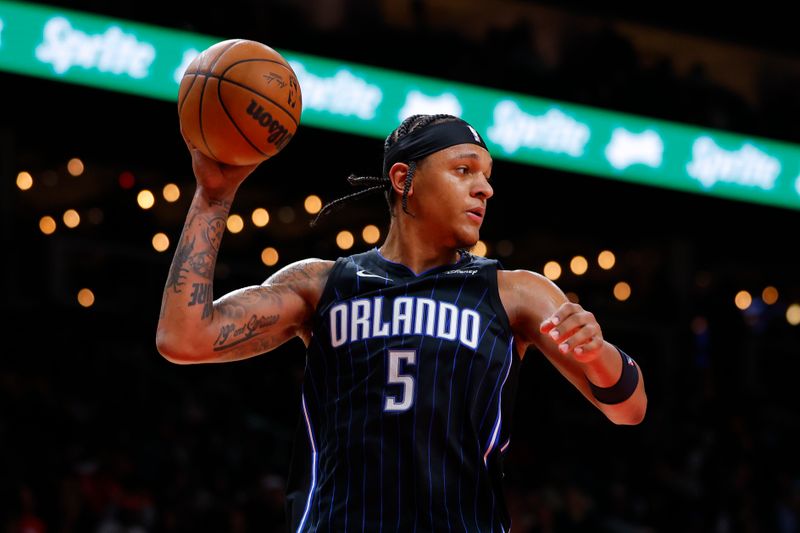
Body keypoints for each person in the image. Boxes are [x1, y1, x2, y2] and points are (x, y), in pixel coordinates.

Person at [156, 114, 647, 532]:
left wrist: (597, 355)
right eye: (463, 170)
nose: (485, 187)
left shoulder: (515, 292)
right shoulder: (321, 284)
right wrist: (213, 199)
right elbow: (184, 338)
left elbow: (630, 408)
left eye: (487, 175)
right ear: (402, 179)